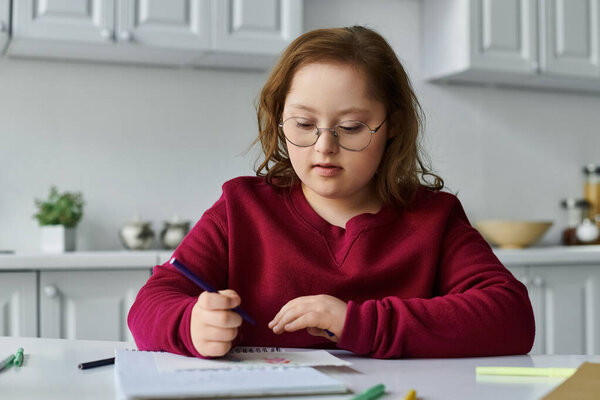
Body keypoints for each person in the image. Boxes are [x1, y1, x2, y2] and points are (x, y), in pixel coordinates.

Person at [128, 26, 535, 359]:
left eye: (353, 128)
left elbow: (512, 317)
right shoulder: (241, 207)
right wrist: (190, 325)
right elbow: (150, 305)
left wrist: (357, 324)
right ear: (279, 119)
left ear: (391, 125)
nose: (324, 147)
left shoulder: (435, 218)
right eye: (303, 124)